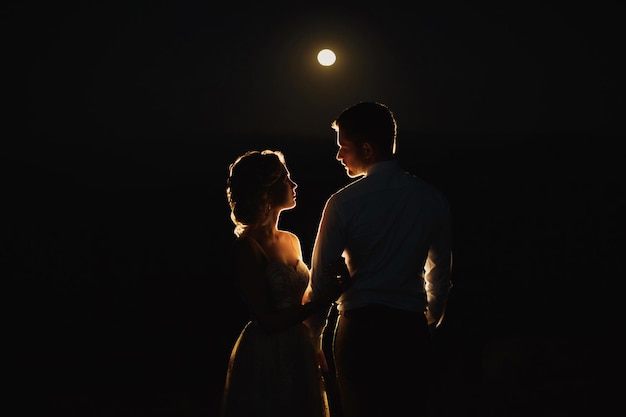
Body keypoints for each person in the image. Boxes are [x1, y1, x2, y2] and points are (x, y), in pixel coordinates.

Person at [303, 102, 454, 417]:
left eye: (344, 147)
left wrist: (313, 336)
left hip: (360, 331)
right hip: (409, 328)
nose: (339, 155)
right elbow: (439, 274)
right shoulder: (431, 198)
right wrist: (428, 324)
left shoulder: (343, 204)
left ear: (367, 149)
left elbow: (320, 279)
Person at [220, 149, 350, 417]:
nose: (294, 185)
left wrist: (317, 354)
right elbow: (268, 320)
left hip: (301, 349)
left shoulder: (291, 240)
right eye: (285, 179)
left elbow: (302, 305)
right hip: (266, 354)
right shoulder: (247, 248)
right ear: (264, 191)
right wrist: (329, 295)